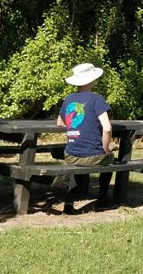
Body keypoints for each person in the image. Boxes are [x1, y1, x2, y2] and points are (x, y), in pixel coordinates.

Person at [57, 62, 114, 210]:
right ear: (91, 80)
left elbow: (59, 122)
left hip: (70, 155)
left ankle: (70, 200)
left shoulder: (69, 99)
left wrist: (76, 128)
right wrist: (106, 148)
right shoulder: (97, 99)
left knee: (76, 162)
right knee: (110, 158)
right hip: (94, 156)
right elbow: (107, 129)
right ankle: (102, 198)